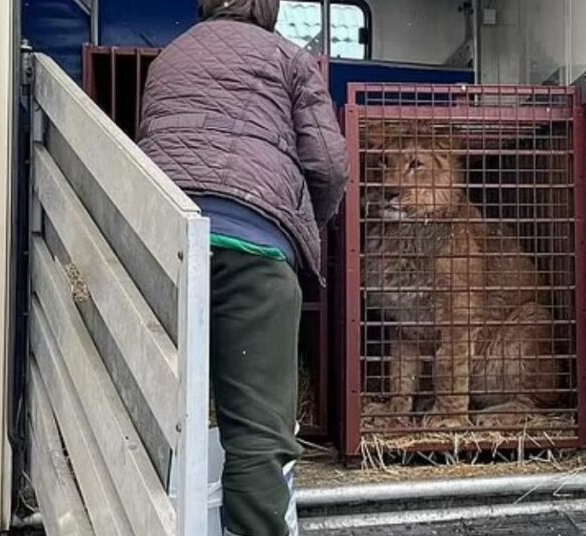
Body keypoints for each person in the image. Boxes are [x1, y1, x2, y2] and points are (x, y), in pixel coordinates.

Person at [137, 0, 349, 534]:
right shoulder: (290, 58)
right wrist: (303, 226)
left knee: (154, 413)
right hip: (256, 251)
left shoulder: (168, 58)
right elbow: (328, 163)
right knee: (257, 430)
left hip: (165, 249)